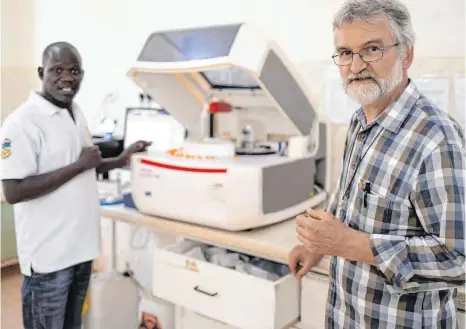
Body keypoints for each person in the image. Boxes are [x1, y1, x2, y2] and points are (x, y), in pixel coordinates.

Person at [288, 0, 465, 328]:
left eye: (371, 49)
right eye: (345, 52)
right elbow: (349, 204)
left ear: (406, 54)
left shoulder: (436, 138)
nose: (356, 65)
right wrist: (319, 248)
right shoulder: (359, 121)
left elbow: (457, 260)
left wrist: (350, 244)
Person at [0, 41, 151, 329]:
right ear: (41, 72)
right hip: (49, 259)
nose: (67, 77)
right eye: (58, 70)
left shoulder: (75, 112)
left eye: (74, 71)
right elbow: (14, 191)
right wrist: (78, 166)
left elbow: (87, 165)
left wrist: (122, 158)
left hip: (81, 252)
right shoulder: (21, 123)